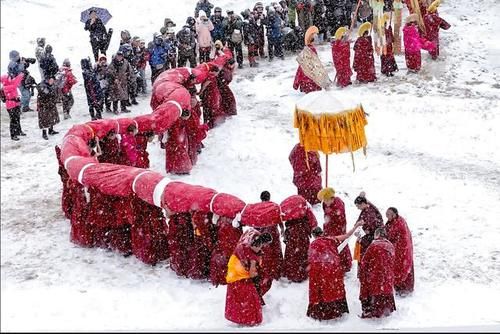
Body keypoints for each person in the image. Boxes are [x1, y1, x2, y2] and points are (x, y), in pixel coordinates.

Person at [307, 222, 361, 320]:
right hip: (334, 267)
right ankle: (338, 310)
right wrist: (356, 226)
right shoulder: (331, 239)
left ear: (314, 236)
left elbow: (311, 260)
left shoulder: (313, 244)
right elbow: (347, 236)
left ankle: (323, 313)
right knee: (335, 288)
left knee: (321, 290)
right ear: (322, 233)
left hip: (321, 269)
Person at [225, 229, 273, 326]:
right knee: (249, 295)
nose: (261, 249)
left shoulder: (251, 236)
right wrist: (258, 275)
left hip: (234, 262)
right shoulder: (253, 257)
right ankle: (247, 318)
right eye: (261, 247)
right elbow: (252, 274)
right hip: (238, 274)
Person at [359, 227, 396, 318]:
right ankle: (386, 309)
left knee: (374, 292)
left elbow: (364, 262)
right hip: (387, 276)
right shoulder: (390, 245)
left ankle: (372, 311)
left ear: (377, 234)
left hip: (375, 276)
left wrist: (362, 275)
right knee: (385, 291)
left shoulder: (373, 246)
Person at [317, 187, 353, 273]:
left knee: (340, 246)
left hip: (338, 229)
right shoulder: (325, 204)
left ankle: (344, 265)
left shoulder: (338, 205)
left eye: (326, 200)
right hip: (329, 227)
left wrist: (330, 219)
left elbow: (340, 219)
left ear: (331, 198)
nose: (325, 202)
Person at [282, 198, 318, 282]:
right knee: (302, 253)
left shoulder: (289, 211)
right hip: (302, 234)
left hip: (292, 235)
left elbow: (285, 221)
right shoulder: (304, 208)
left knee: (292, 253)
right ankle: (300, 273)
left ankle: (291, 272)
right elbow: (312, 220)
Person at [385, 207, 414, 295]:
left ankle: (403, 289)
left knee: (401, 269)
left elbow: (394, 235)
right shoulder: (394, 221)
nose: (387, 216)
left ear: (394, 214)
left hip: (401, 250)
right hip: (397, 249)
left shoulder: (399, 223)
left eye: (388, 214)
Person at [210, 215, 243, 286]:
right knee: (226, 261)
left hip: (227, 242)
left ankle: (224, 279)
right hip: (227, 242)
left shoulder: (223, 215)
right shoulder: (229, 214)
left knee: (225, 261)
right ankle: (226, 278)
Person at [354, 192, 384, 261]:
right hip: (369, 236)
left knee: (366, 257)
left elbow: (369, 229)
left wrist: (359, 234)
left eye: (358, 206)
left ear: (363, 204)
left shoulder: (370, 213)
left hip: (371, 238)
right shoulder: (367, 207)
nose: (358, 208)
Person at [293, 25, 322, 93]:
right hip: (311, 84)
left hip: (306, 84)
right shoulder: (311, 51)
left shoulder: (306, 51)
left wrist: (296, 83)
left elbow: (300, 69)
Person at [186, 211, 214, 279]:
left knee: (200, 254)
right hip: (203, 237)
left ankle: (201, 271)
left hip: (201, 237)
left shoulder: (199, 215)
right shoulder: (204, 213)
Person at [1, 70, 26, 141]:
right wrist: (21, 75)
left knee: (17, 118)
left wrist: (21, 75)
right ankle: (13, 135)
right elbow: (15, 84)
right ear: (5, 80)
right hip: (10, 106)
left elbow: (15, 81)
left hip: (16, 104)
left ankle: (19, 131)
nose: (10, 78)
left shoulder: (10, 83)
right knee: (13, 120)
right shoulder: (5, 87)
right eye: (8, 78)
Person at [168, 212, 194, 277]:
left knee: (180, 245)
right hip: (181, 218)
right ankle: (183, 265)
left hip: (181, 219)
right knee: (182, 245)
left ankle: (182, 265)